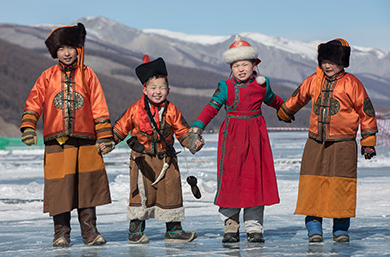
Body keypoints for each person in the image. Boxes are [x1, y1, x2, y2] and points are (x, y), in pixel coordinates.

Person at [20, 23, 114, 247]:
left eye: (71, 47)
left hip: (86, 141)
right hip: (57, 142)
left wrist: (104, 136)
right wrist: (28, 127)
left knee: (86, 186)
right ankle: (61, 233)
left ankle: (90, 232)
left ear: (78, 48)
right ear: (55, 52)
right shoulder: (47, 76)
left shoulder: (88, 75)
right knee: (60, 187)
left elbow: (99, 106)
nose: (67, 53)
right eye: (61, 49)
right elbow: (34, 102)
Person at [277, 38, 378, 243]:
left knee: (341, 186)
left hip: (344, 144)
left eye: (333, 61)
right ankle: (314, 227)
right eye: (324, 60)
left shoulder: (353, 84)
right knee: (312, 185)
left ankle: (340, 228)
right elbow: (299, 96)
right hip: (315, 142)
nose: (328, 65)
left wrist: (368, 143)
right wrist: (285, 112)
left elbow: (366, 113)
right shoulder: (314, 80)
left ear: (343, 63)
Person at [188, 35, 284, 243]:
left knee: (254, 180)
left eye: (245, 64)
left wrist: (285, 109)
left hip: (256, 138)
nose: (241, 69)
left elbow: (273, 100)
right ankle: (230, 225)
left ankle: (254, 226)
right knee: (232, 180)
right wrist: (197, 127)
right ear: (231, 68)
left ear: (253, 65)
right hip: (232, 138)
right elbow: (211, 108)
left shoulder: (262, 85)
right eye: (236, 65)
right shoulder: (225, 87)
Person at [112, 55, 203, 244]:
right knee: (140, 195)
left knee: (171, 193)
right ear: (144, 89)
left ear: (168, 90)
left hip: (166, 159)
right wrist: (108, 142)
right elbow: (120, 128)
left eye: (162, 88)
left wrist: (193, 143)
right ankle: (135, 231)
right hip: (141, 159)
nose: (158, 92)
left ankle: (174, 230)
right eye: (153, 88)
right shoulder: (134, 110)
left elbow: (183, 132)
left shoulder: (172, 110)